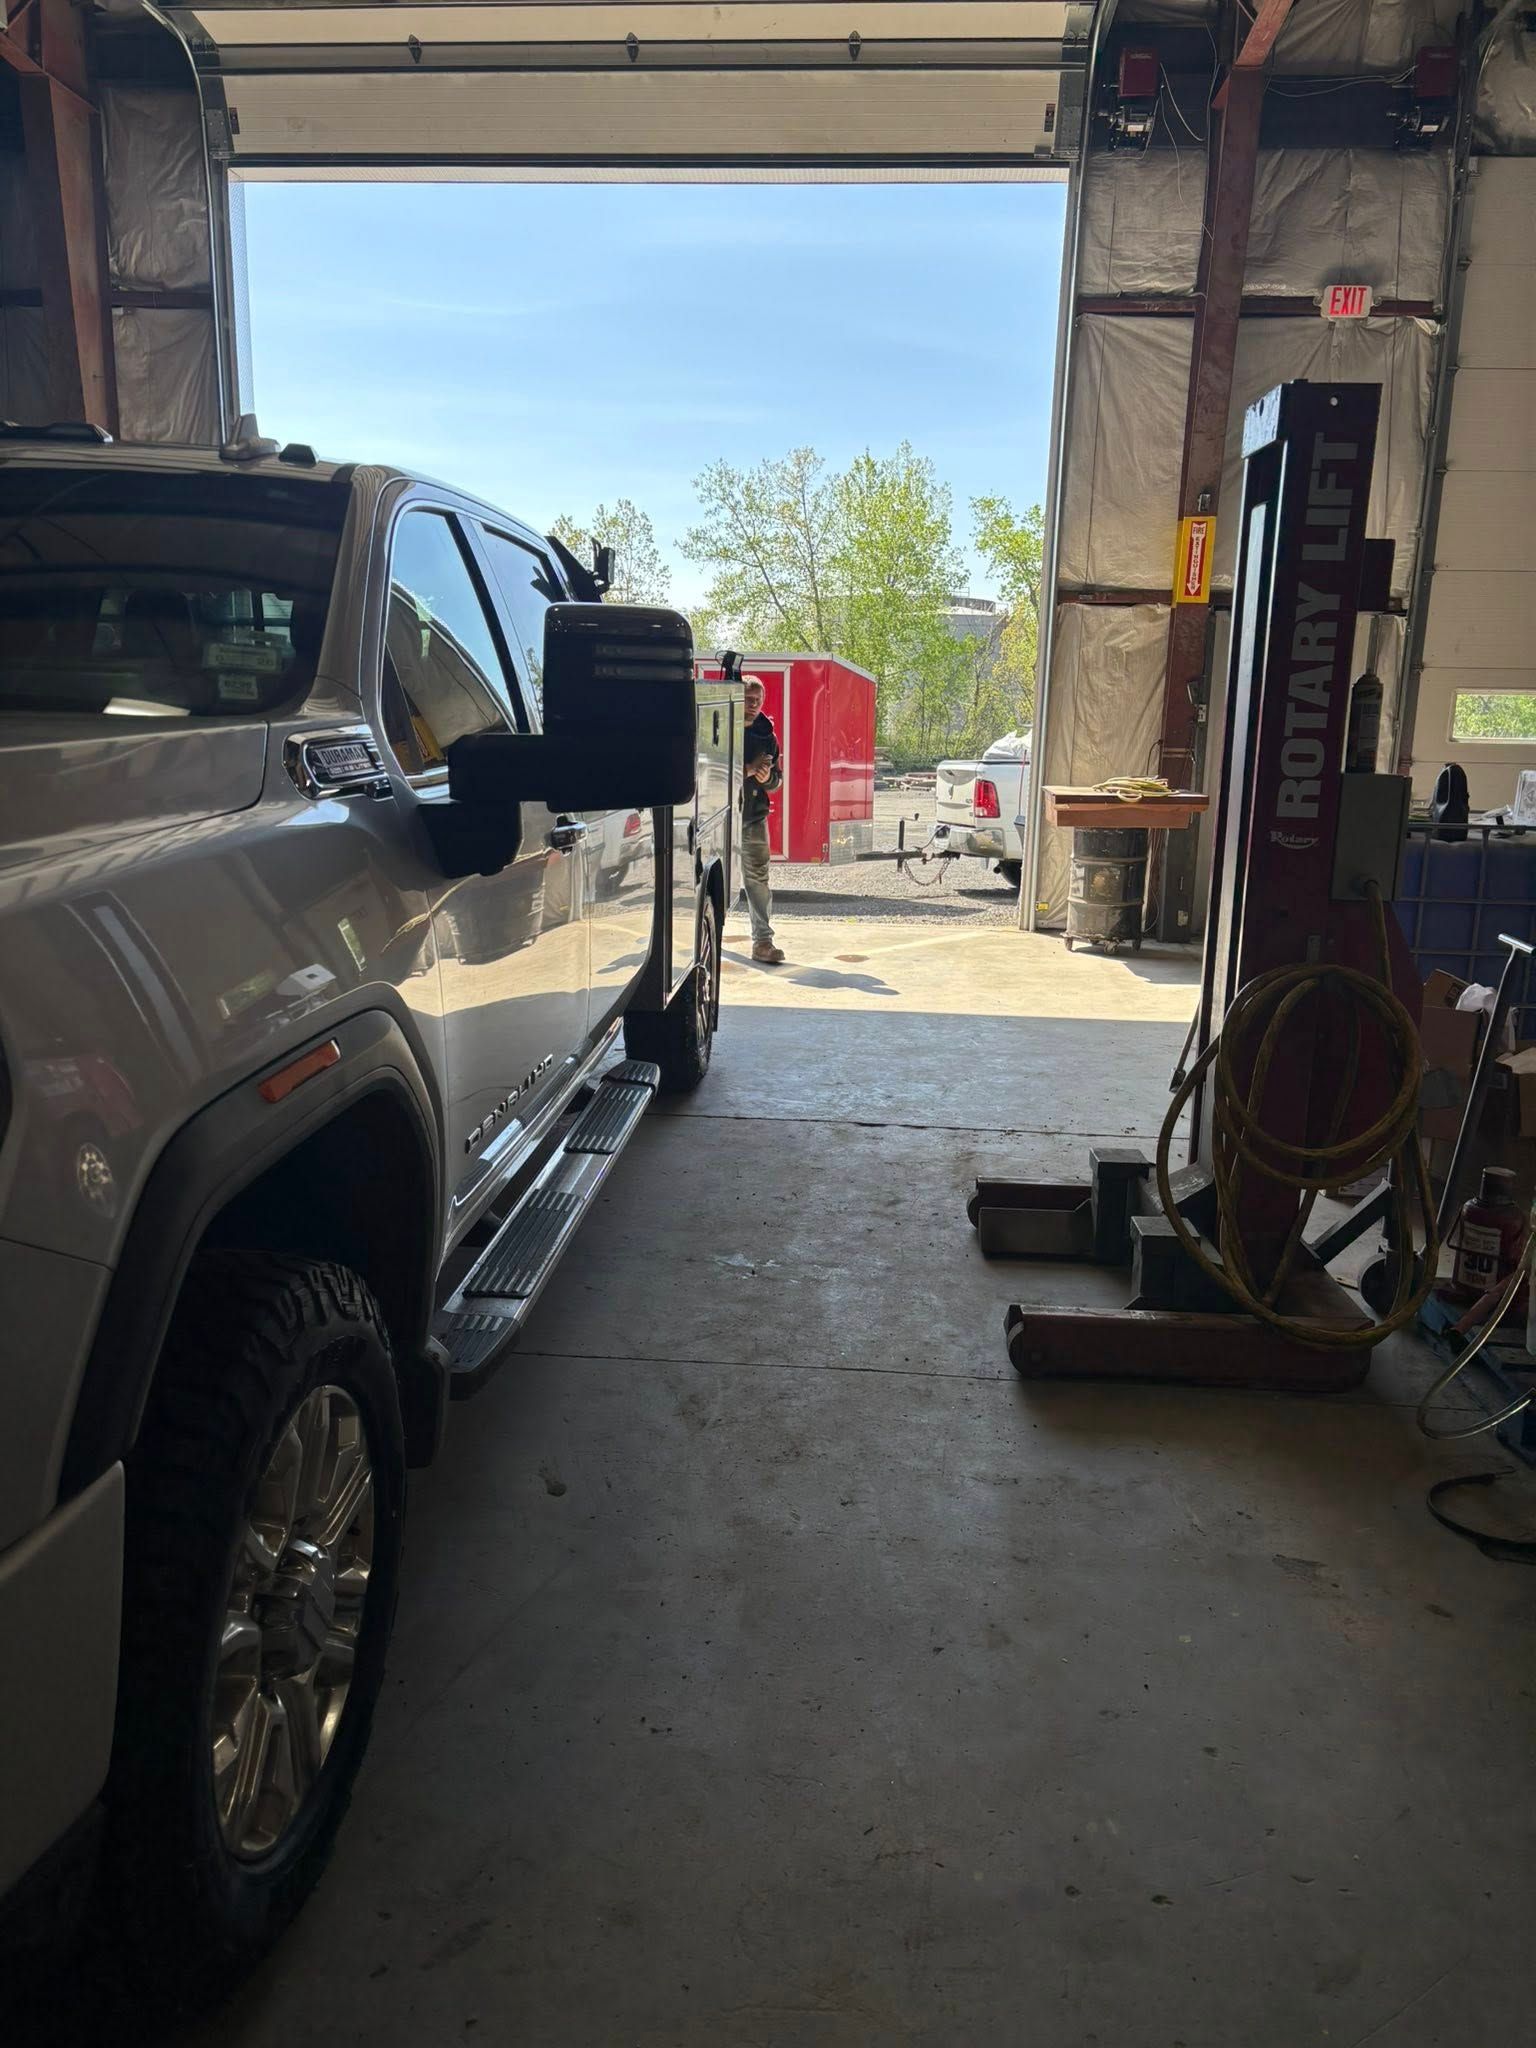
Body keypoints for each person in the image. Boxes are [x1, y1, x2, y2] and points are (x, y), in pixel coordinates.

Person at [740, 674, 785, 964]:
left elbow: (778, 781)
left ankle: (763, 943)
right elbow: (703, 770)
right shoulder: (715, 726)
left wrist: (768, 778)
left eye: (758, 700)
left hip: (753, 817)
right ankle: (685, 941)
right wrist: (748, 769)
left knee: (758, 878)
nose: (753, 704)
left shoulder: (766, 734)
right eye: (748, 698)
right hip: (714, 818)